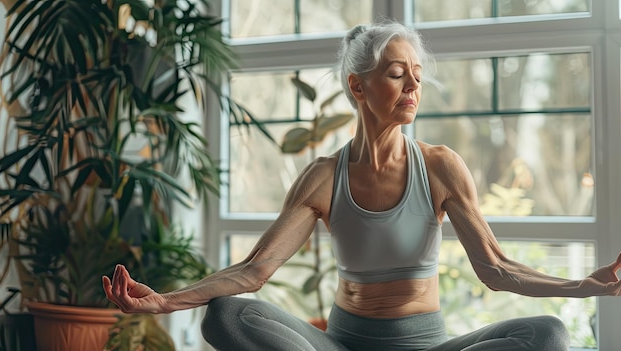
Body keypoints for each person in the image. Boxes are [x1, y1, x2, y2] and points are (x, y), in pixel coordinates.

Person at [103, 21, 621, 351]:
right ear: (359, 86)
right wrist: (165, 302)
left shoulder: (440, 166)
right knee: (226, 316)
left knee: (548, 335)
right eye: (398, 74)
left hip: (426, 346)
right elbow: (255, 269)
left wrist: (586, 286)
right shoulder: (325, 176)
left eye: (417, 74)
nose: (414, 86)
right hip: (341, 345)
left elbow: (497, 269)